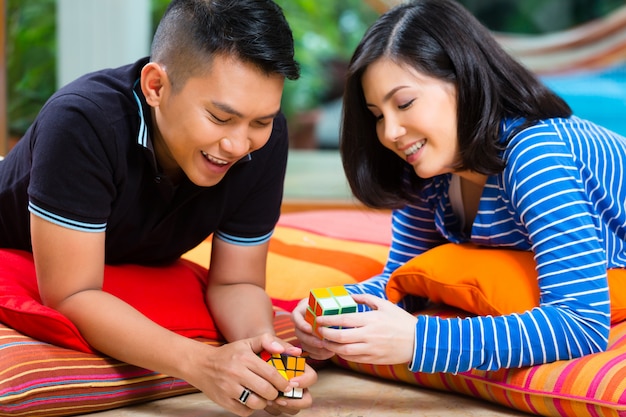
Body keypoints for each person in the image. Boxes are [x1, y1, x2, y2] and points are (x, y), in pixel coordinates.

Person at [0, 0, 317, 415]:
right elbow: (72, 293)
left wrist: (267, 355)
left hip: (129, 256)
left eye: (260, 121)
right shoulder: (81, 121)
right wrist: (202, 363)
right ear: (156, 87)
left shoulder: (265, 139)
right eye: (220, 118)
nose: (240, 146)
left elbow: (236, 282)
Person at [293, 0, 626, 374]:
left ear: (464, 79)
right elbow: (404, 281)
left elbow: (582, 323)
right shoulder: (429, 171)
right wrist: (332, 308)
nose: (390, 133)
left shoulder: (537, 156)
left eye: (404, 103)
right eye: (377, 116)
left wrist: (419, 340)